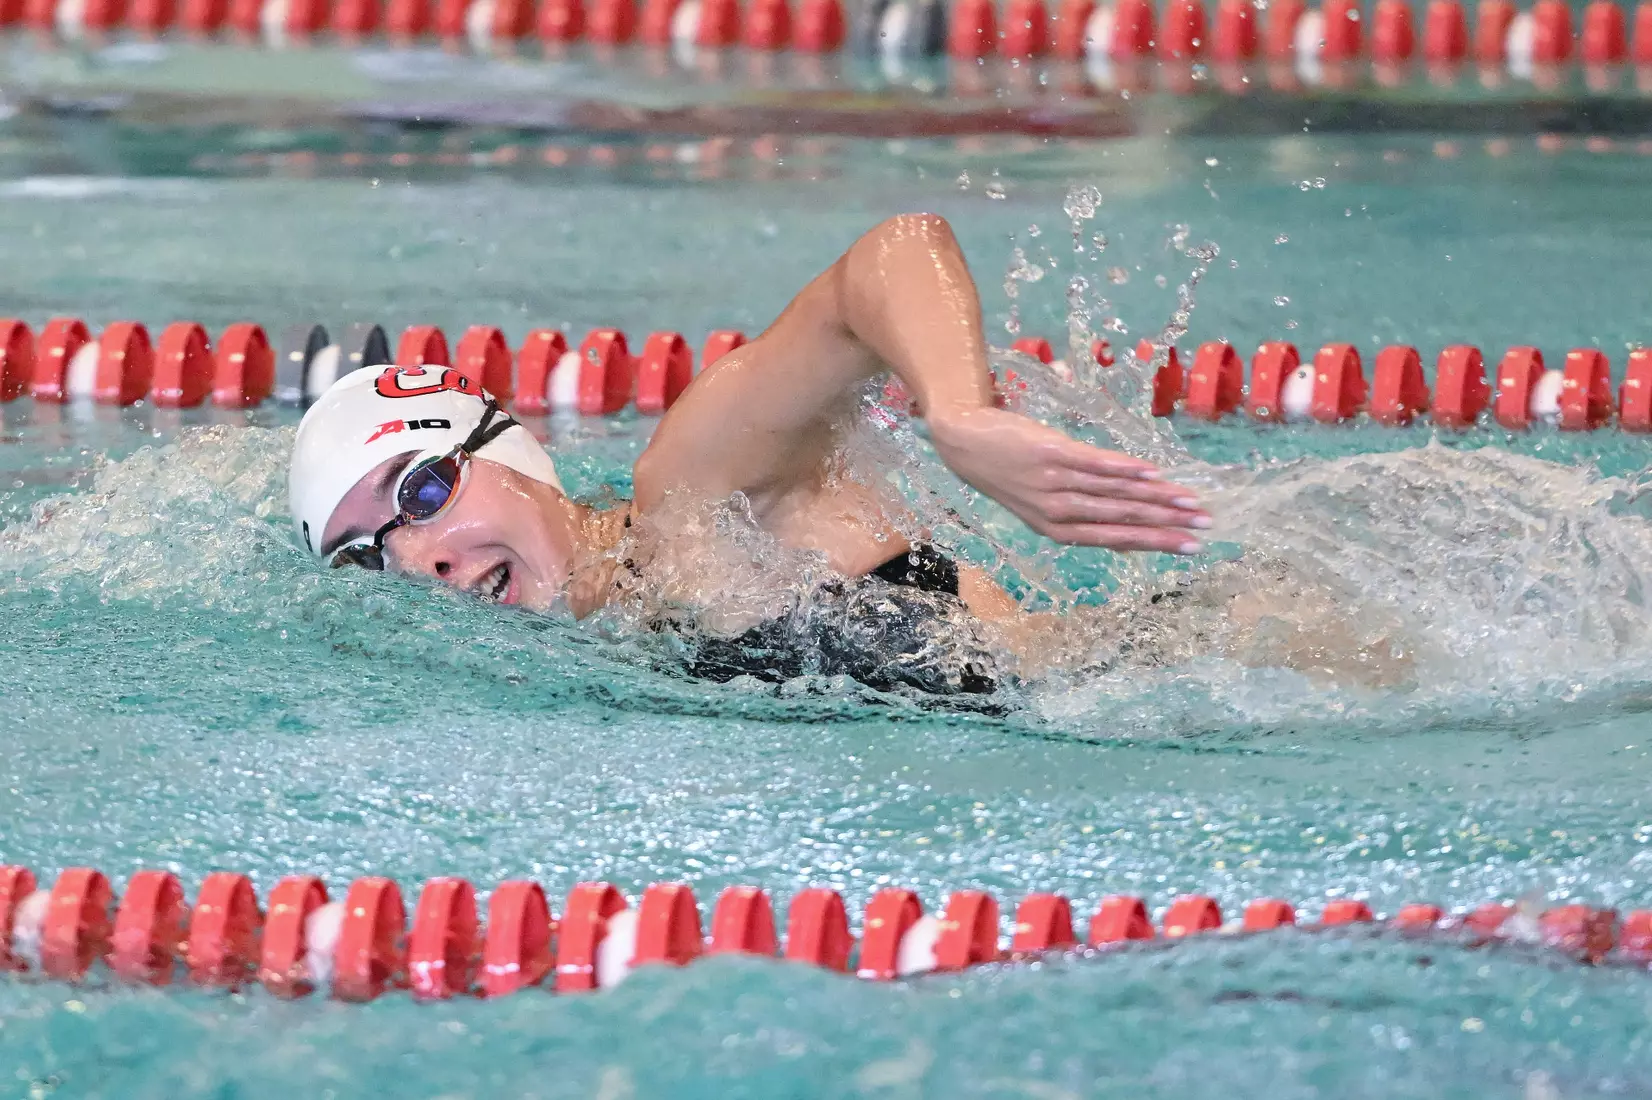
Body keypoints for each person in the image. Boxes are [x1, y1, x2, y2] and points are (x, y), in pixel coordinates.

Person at [288, 213, 1212, 695]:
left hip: (1211, 667)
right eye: (368, 554)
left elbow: (888, 259)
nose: (419, 559)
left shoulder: (692, 499)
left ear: (518, 454)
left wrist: (961, 419)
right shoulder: (608, 642)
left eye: (424, 489)